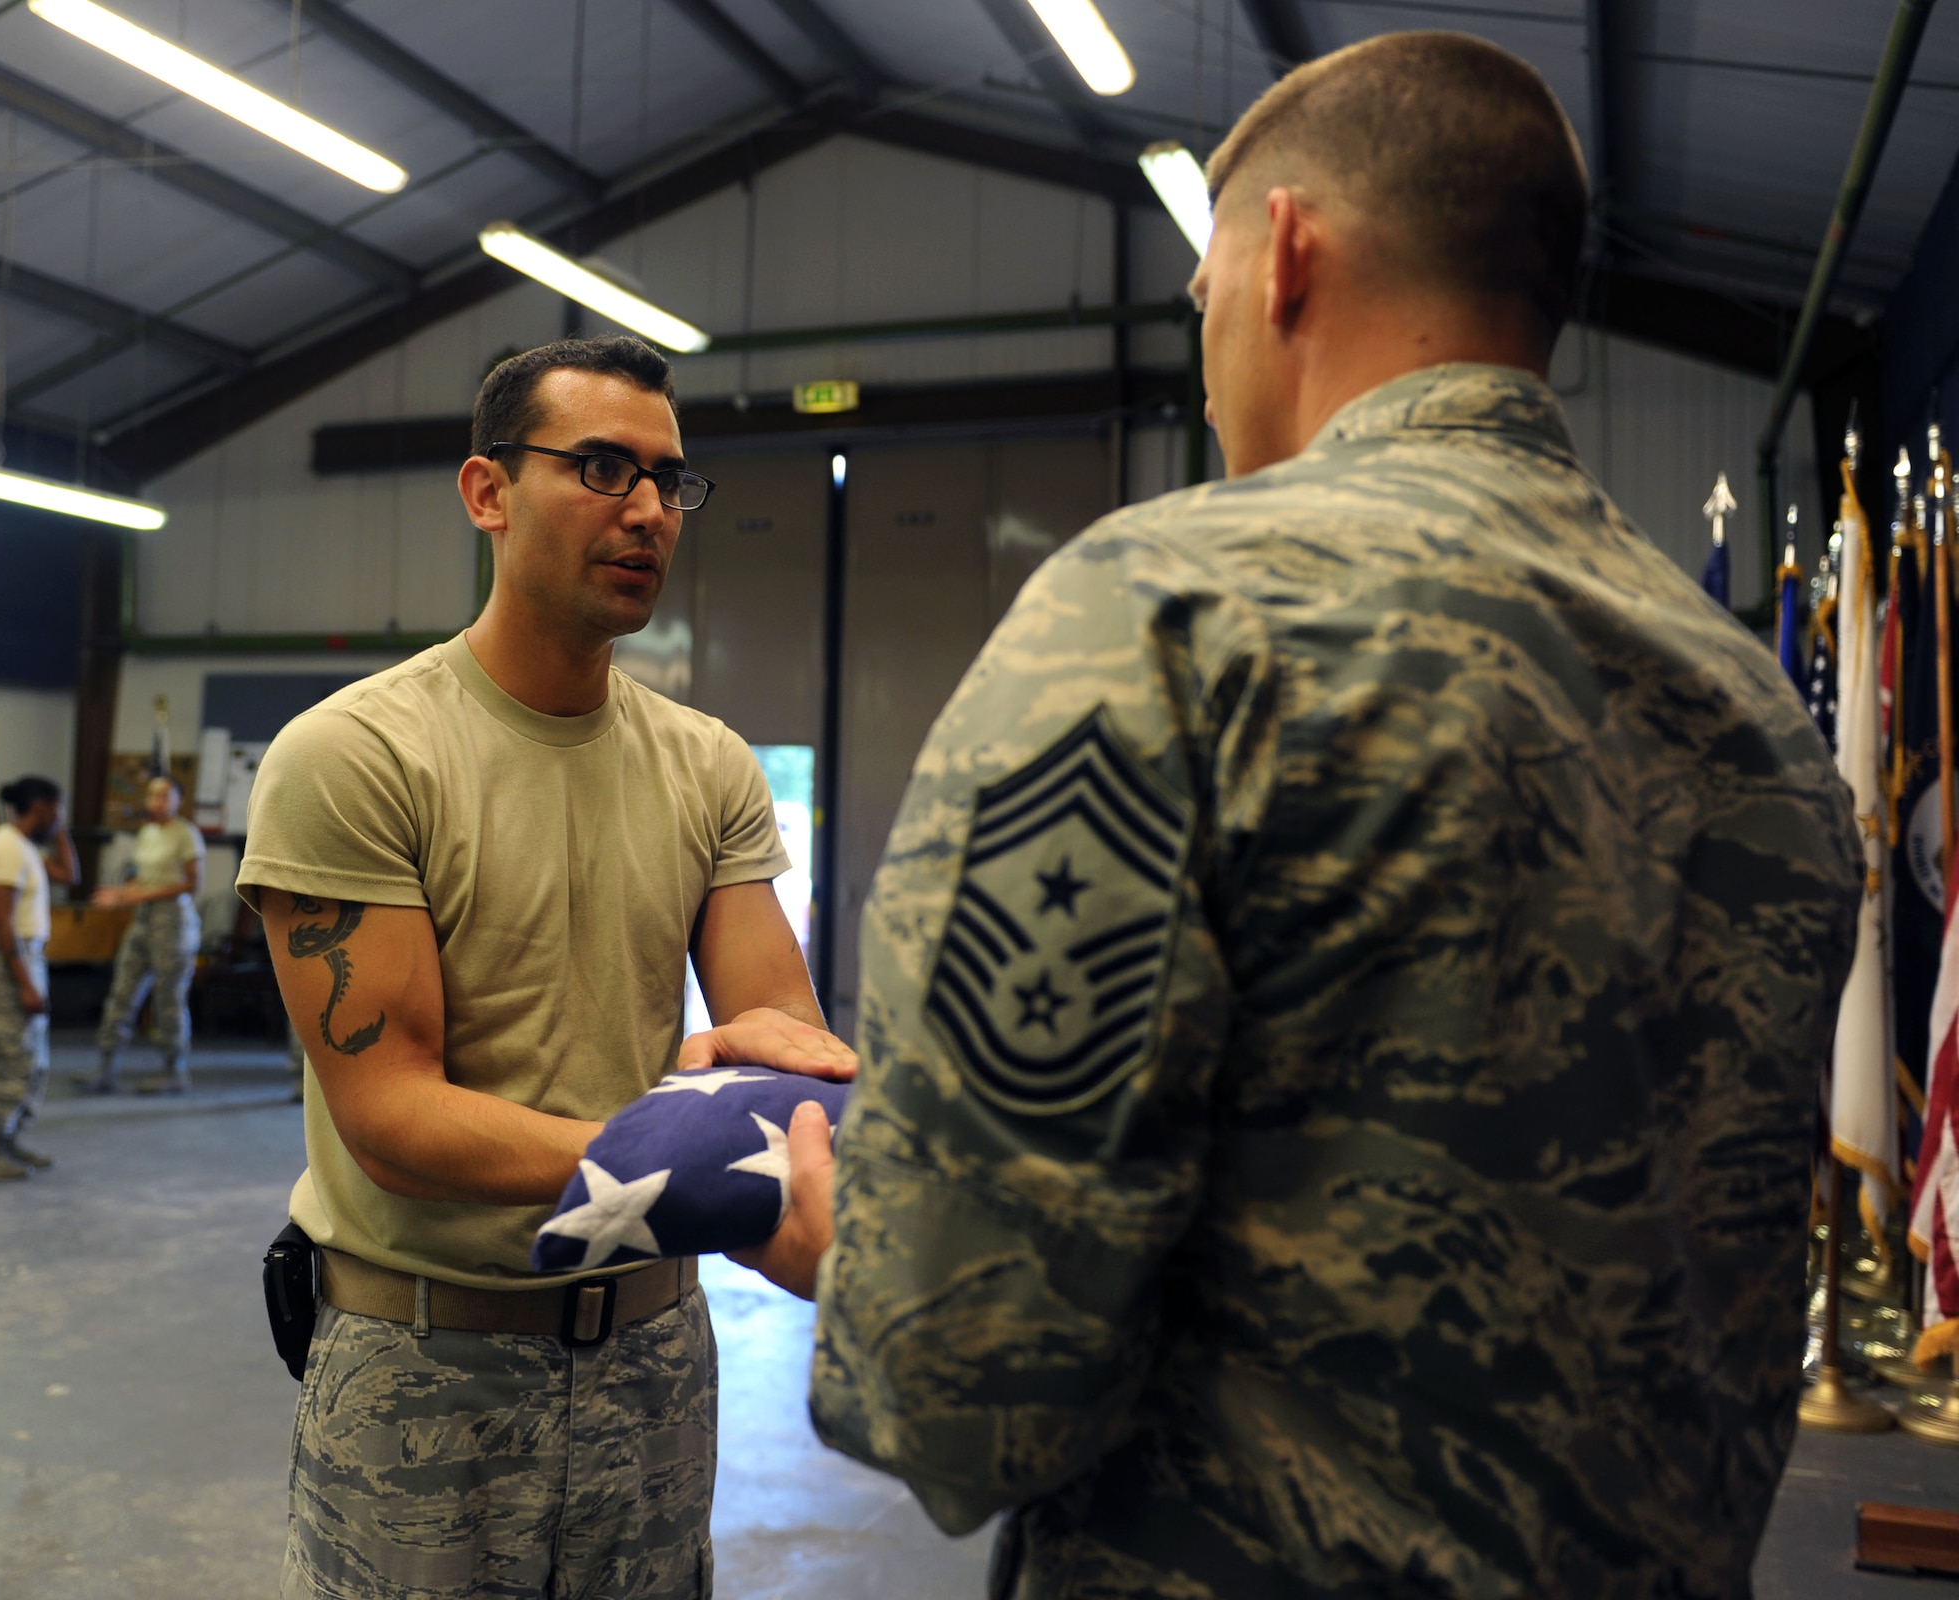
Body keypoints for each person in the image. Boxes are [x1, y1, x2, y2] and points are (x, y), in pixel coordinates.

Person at [739, 32, 1864, 1599]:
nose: (1206, 366)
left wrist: (843, 1248)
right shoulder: (1762, 719)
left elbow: (960, 1391)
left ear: (1280, 259)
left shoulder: (1166, 615)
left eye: (1199, 306)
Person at [238, 333, 856, 1600]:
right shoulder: (355, 756)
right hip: (427, 1360)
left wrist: (785, 1112)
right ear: (487, 491)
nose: (645, 510)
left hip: (653, 1356)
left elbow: (777, 1032)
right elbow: (393, 1117)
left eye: (668, 480)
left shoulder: (708, 764)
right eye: (600, 467)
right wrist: (676, 1152)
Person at [0, 776, 78, 1180]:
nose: (61, 818)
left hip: (25, 958)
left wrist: (58, 827)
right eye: (59, 809)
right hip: (6, 960)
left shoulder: (24, 846)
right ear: (43, 807)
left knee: (30, 1057)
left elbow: (69, 873)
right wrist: (26, 983)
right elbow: (2, 922)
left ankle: (8, 1138)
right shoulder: (8, 849)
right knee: (9, 1056)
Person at [80, 775, 205, 1095]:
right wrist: (121, 894)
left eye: (164, 796)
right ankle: (106, 1067)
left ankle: (175, 1071)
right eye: (152, 795)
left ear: (178, 800)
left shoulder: (186, 834)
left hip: (173, 921)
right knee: (122, 992)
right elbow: (140, 880)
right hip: (143, 919)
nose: (156, 802)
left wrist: (134, 896)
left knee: (168, 999)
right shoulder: (147, 833)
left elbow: (193, 884)